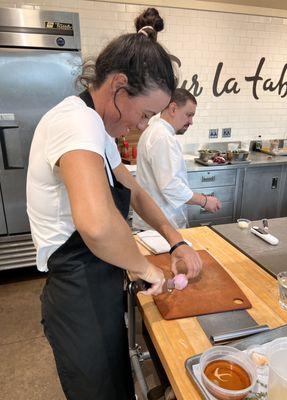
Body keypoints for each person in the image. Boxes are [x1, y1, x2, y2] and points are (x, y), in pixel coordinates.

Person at [26, 8, 202, 400]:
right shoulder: (75, 122)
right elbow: (96, 225)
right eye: (145, 113)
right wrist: (146, 269)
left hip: (100, 281)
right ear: (119, 87)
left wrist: (176, 241)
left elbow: (135, 190)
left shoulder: (100, 132)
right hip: (76, 294)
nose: (144, 125)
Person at [132, 89, 221, 231]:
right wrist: (204, 201)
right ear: (173, 109)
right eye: (189, 115)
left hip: (156, 223)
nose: (191, 122)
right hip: (158, 226)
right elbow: (170, 185)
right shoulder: (162, 137)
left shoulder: (158, 131)